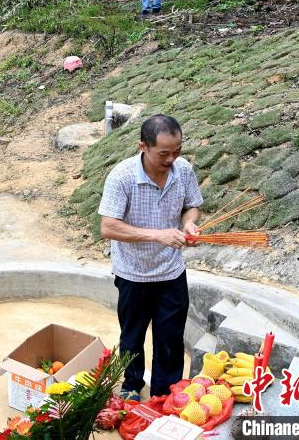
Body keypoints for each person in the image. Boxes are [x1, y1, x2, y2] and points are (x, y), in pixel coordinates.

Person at [98, 114, 203, 399]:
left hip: (171, 271)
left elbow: (192, 205)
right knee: (132, 336)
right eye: (164, 153)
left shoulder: (183, 170)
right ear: (143, 146)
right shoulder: (122, 177)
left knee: (170, 337)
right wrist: (159, 235)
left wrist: (188, 223)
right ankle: (132, 386)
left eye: (177, 151)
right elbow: (108, 226)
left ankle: (164, 393)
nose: (172, 159)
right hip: (133, 272)